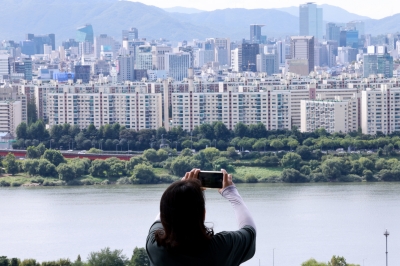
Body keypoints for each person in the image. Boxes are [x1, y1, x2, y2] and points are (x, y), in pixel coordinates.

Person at [146, 169, 256, 265]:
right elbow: (250, 230)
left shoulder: (155, 246)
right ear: (203, 214)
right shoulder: (220, 248)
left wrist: (181, 187)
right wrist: (231, 193)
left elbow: (162, 216)